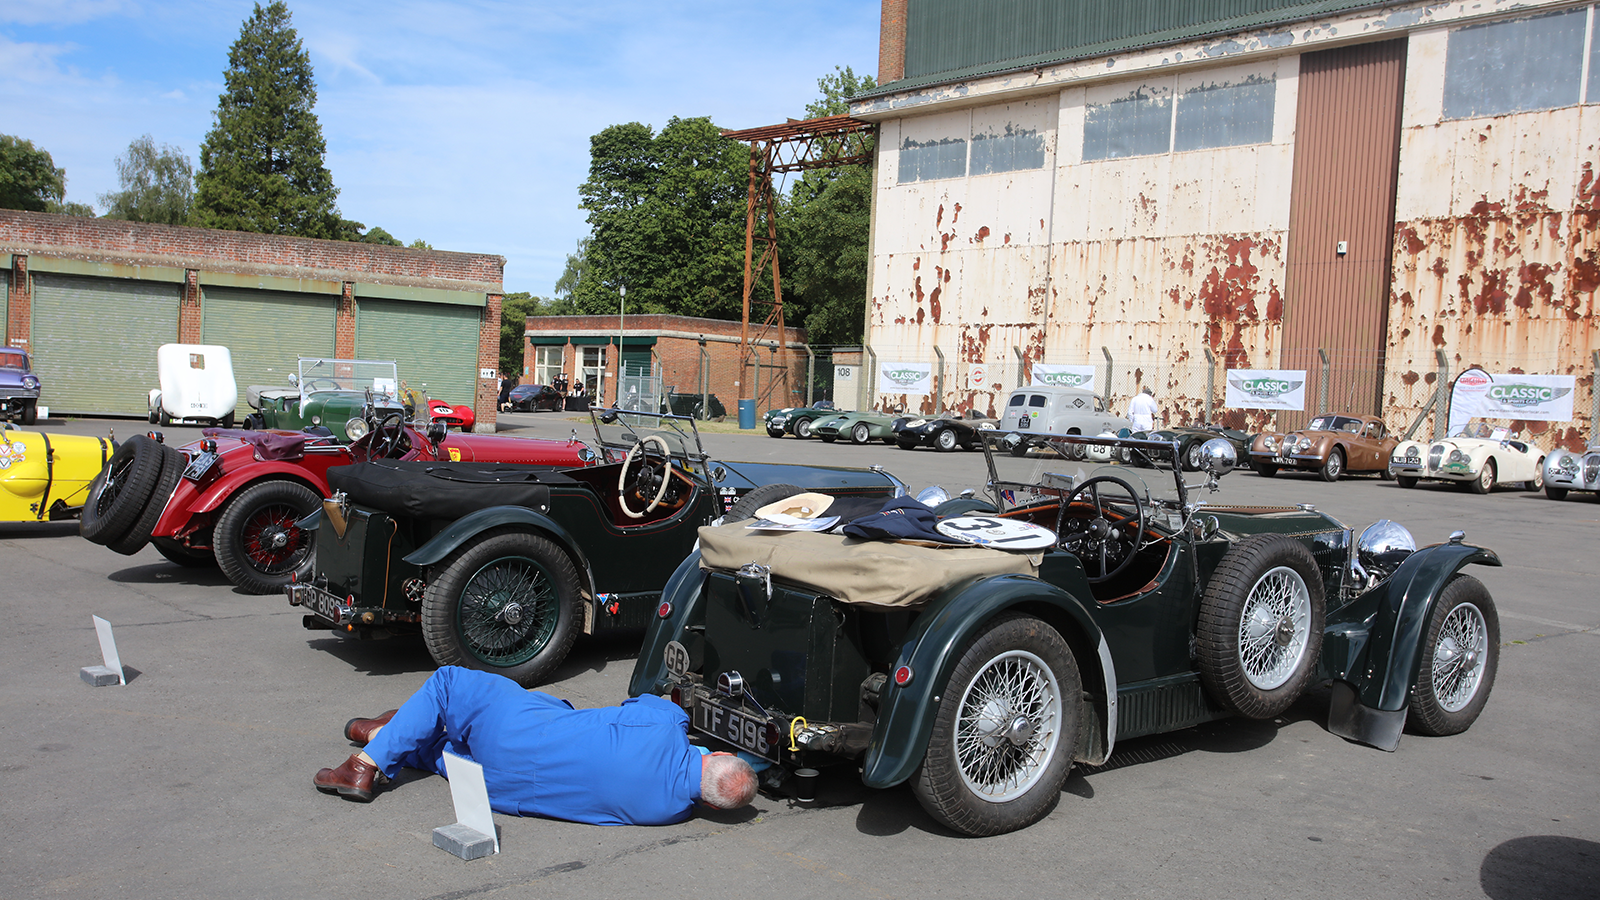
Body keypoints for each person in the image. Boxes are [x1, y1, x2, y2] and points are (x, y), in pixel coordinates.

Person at [313, 666, 758, 826]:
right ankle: (388, 733)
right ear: (710, 805)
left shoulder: (665, 728)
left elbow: (643, 701)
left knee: (449, 683)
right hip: (501, 791)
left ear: (718, 754)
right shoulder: (668, 813)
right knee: (443, 753)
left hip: (519, 735)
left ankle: (364, 763)